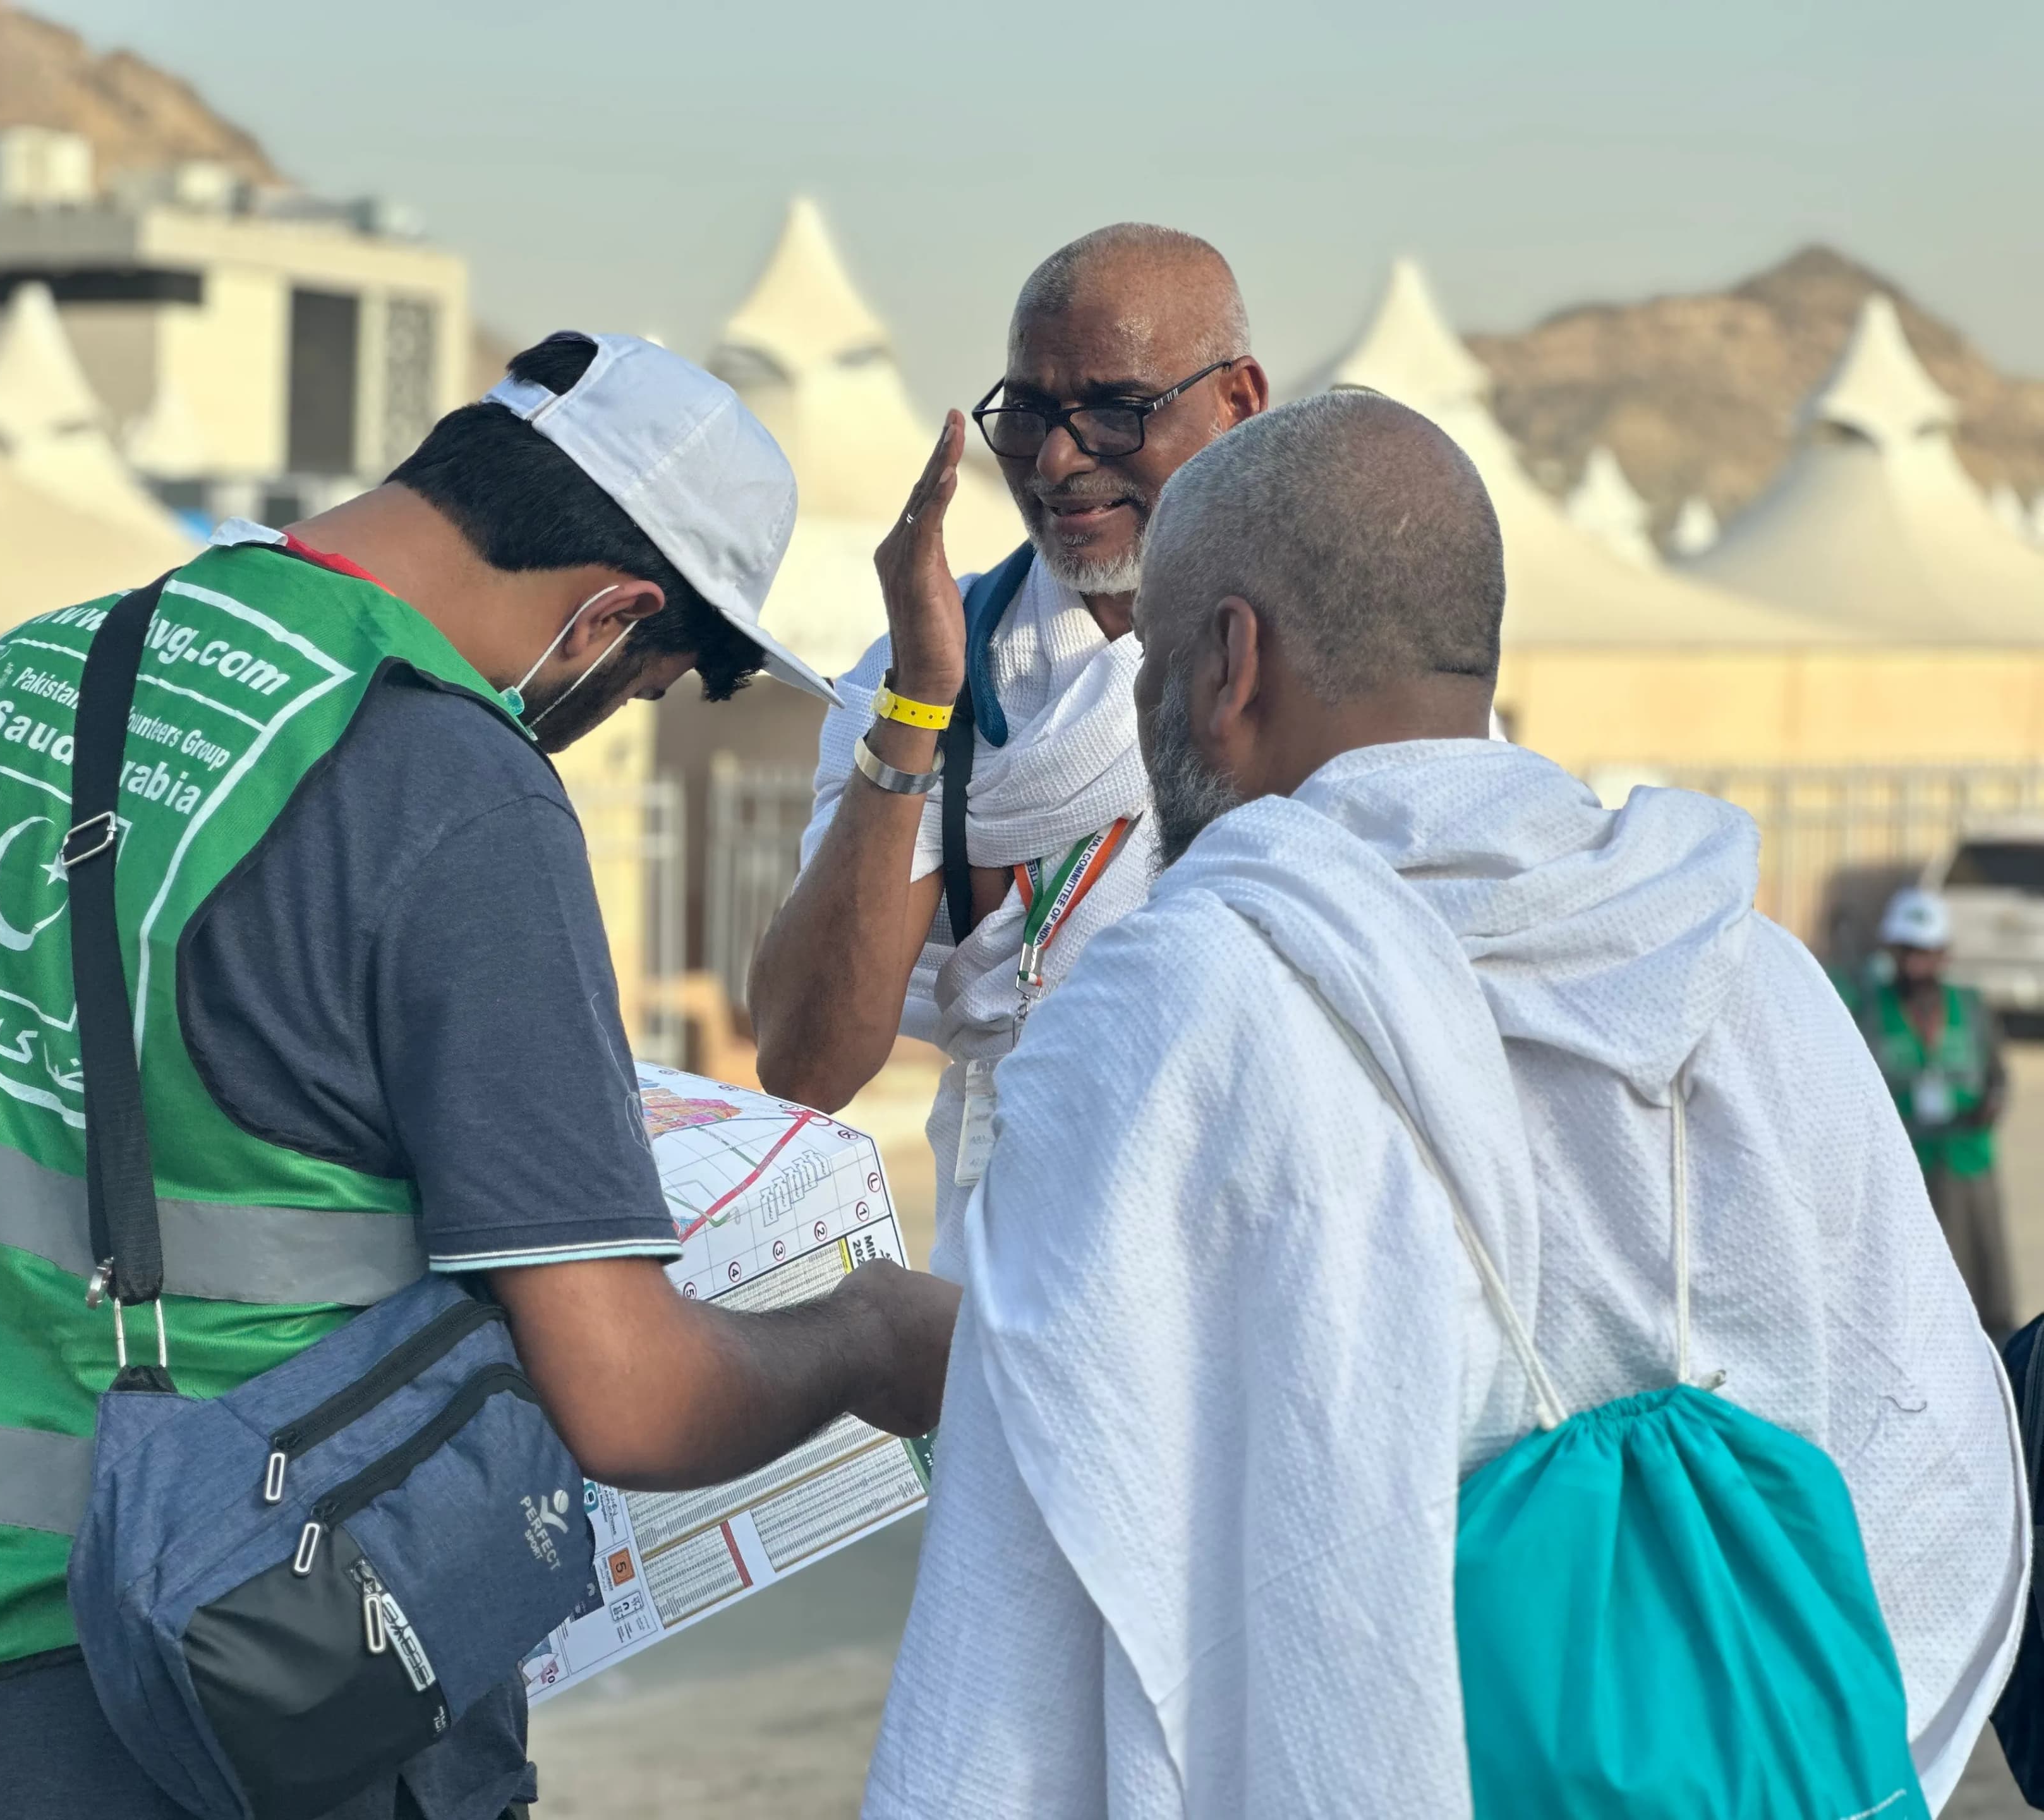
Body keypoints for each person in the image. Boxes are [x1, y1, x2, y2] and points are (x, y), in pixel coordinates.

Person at [0, 332, 960, 1820]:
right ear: (610, 616)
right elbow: (632, 1402)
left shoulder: (16, 683)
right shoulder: (444, 779)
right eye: (647, 685)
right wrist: (863, 1332)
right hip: (245, 1670)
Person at [865, 391, 2025, 1816]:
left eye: (1159, 659)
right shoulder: (1747, 970)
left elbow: (1047, 1579)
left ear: (1231, 660)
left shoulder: (1175, 1013)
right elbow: (1930, 1455)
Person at [748, 224, 1267, 1273]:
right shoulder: (936, 666)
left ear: (1238, 403)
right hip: (1015, 1260)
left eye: (1115, 412)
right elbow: (805, 1064)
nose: (1059, 462)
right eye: (1027, 414)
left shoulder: (1335, 656)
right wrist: (918, 704)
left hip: (1254, 1245)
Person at [1859, 885, 2015, 1334]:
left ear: (1944, 955)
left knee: (1985, 1272)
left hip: (1969, 1159)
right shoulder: (1868, 1010)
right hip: (1906, 1165)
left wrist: (1993, 1103)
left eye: (1926, 954)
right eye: (1907, 953)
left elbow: (1998, 1075)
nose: (1916, 965)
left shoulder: (1971, 1006)